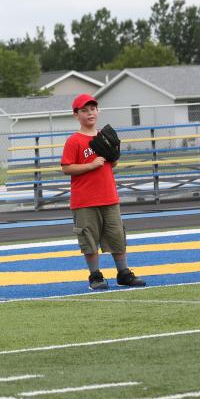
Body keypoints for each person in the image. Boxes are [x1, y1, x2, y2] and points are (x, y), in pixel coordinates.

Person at [60, 94, 146, 290]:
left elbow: (112, 163)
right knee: (89, 240)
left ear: (97, 111)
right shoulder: (74, 141)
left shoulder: (103, 137)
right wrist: (90, 165)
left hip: (109, 196)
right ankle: (95, 276)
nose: (90, 113)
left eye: (93, 109)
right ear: (76, 115)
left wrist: (114, 155)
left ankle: (123, 273)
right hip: (85, 200)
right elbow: (66, 168)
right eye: (84, 110)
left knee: (117, 236)